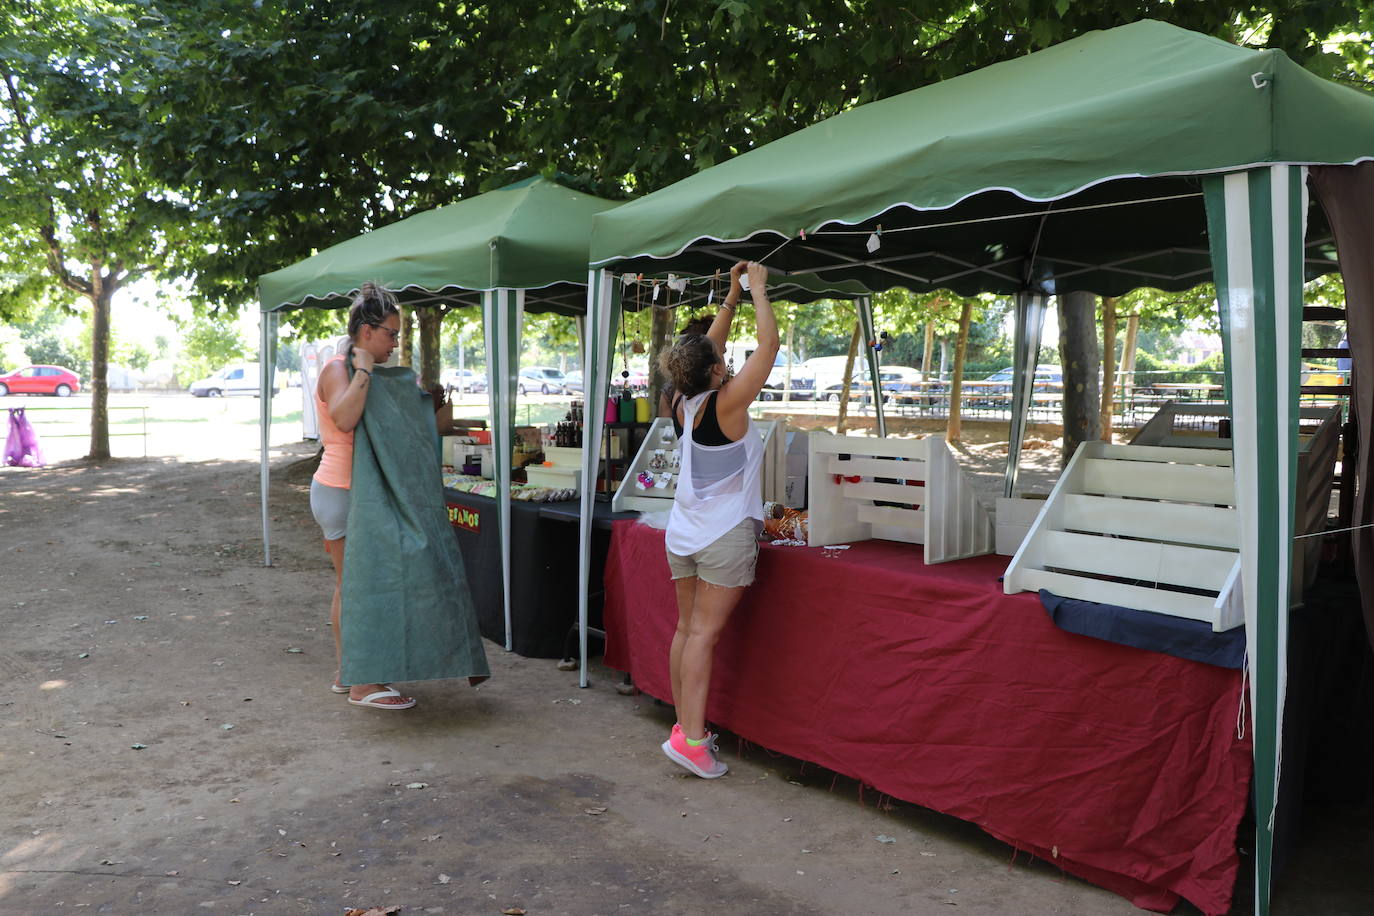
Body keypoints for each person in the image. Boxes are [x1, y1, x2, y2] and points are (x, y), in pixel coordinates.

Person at [656, 260, 777, 778]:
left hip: (682, 532)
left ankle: (684, 731)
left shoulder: (683, 398)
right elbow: (768, 349)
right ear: (716, 370)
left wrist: (732, 295)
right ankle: (694, 741)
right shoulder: (727, 404)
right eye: (720, 359)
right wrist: (761, 292)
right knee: (702, 636)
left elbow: (707, 349)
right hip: (722, 536)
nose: (723, 358)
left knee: (687, 631)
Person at [311, 282, 424, 710]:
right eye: (392, 333)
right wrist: (363, 369)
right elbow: (342, 419)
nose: (396, 342)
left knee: (352, 585)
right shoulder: (340, 369)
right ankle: (362, 684)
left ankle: (350, 673)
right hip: (341, 492)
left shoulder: (360, 367)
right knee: (360, 587)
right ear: (367, 331)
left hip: (354, 492)